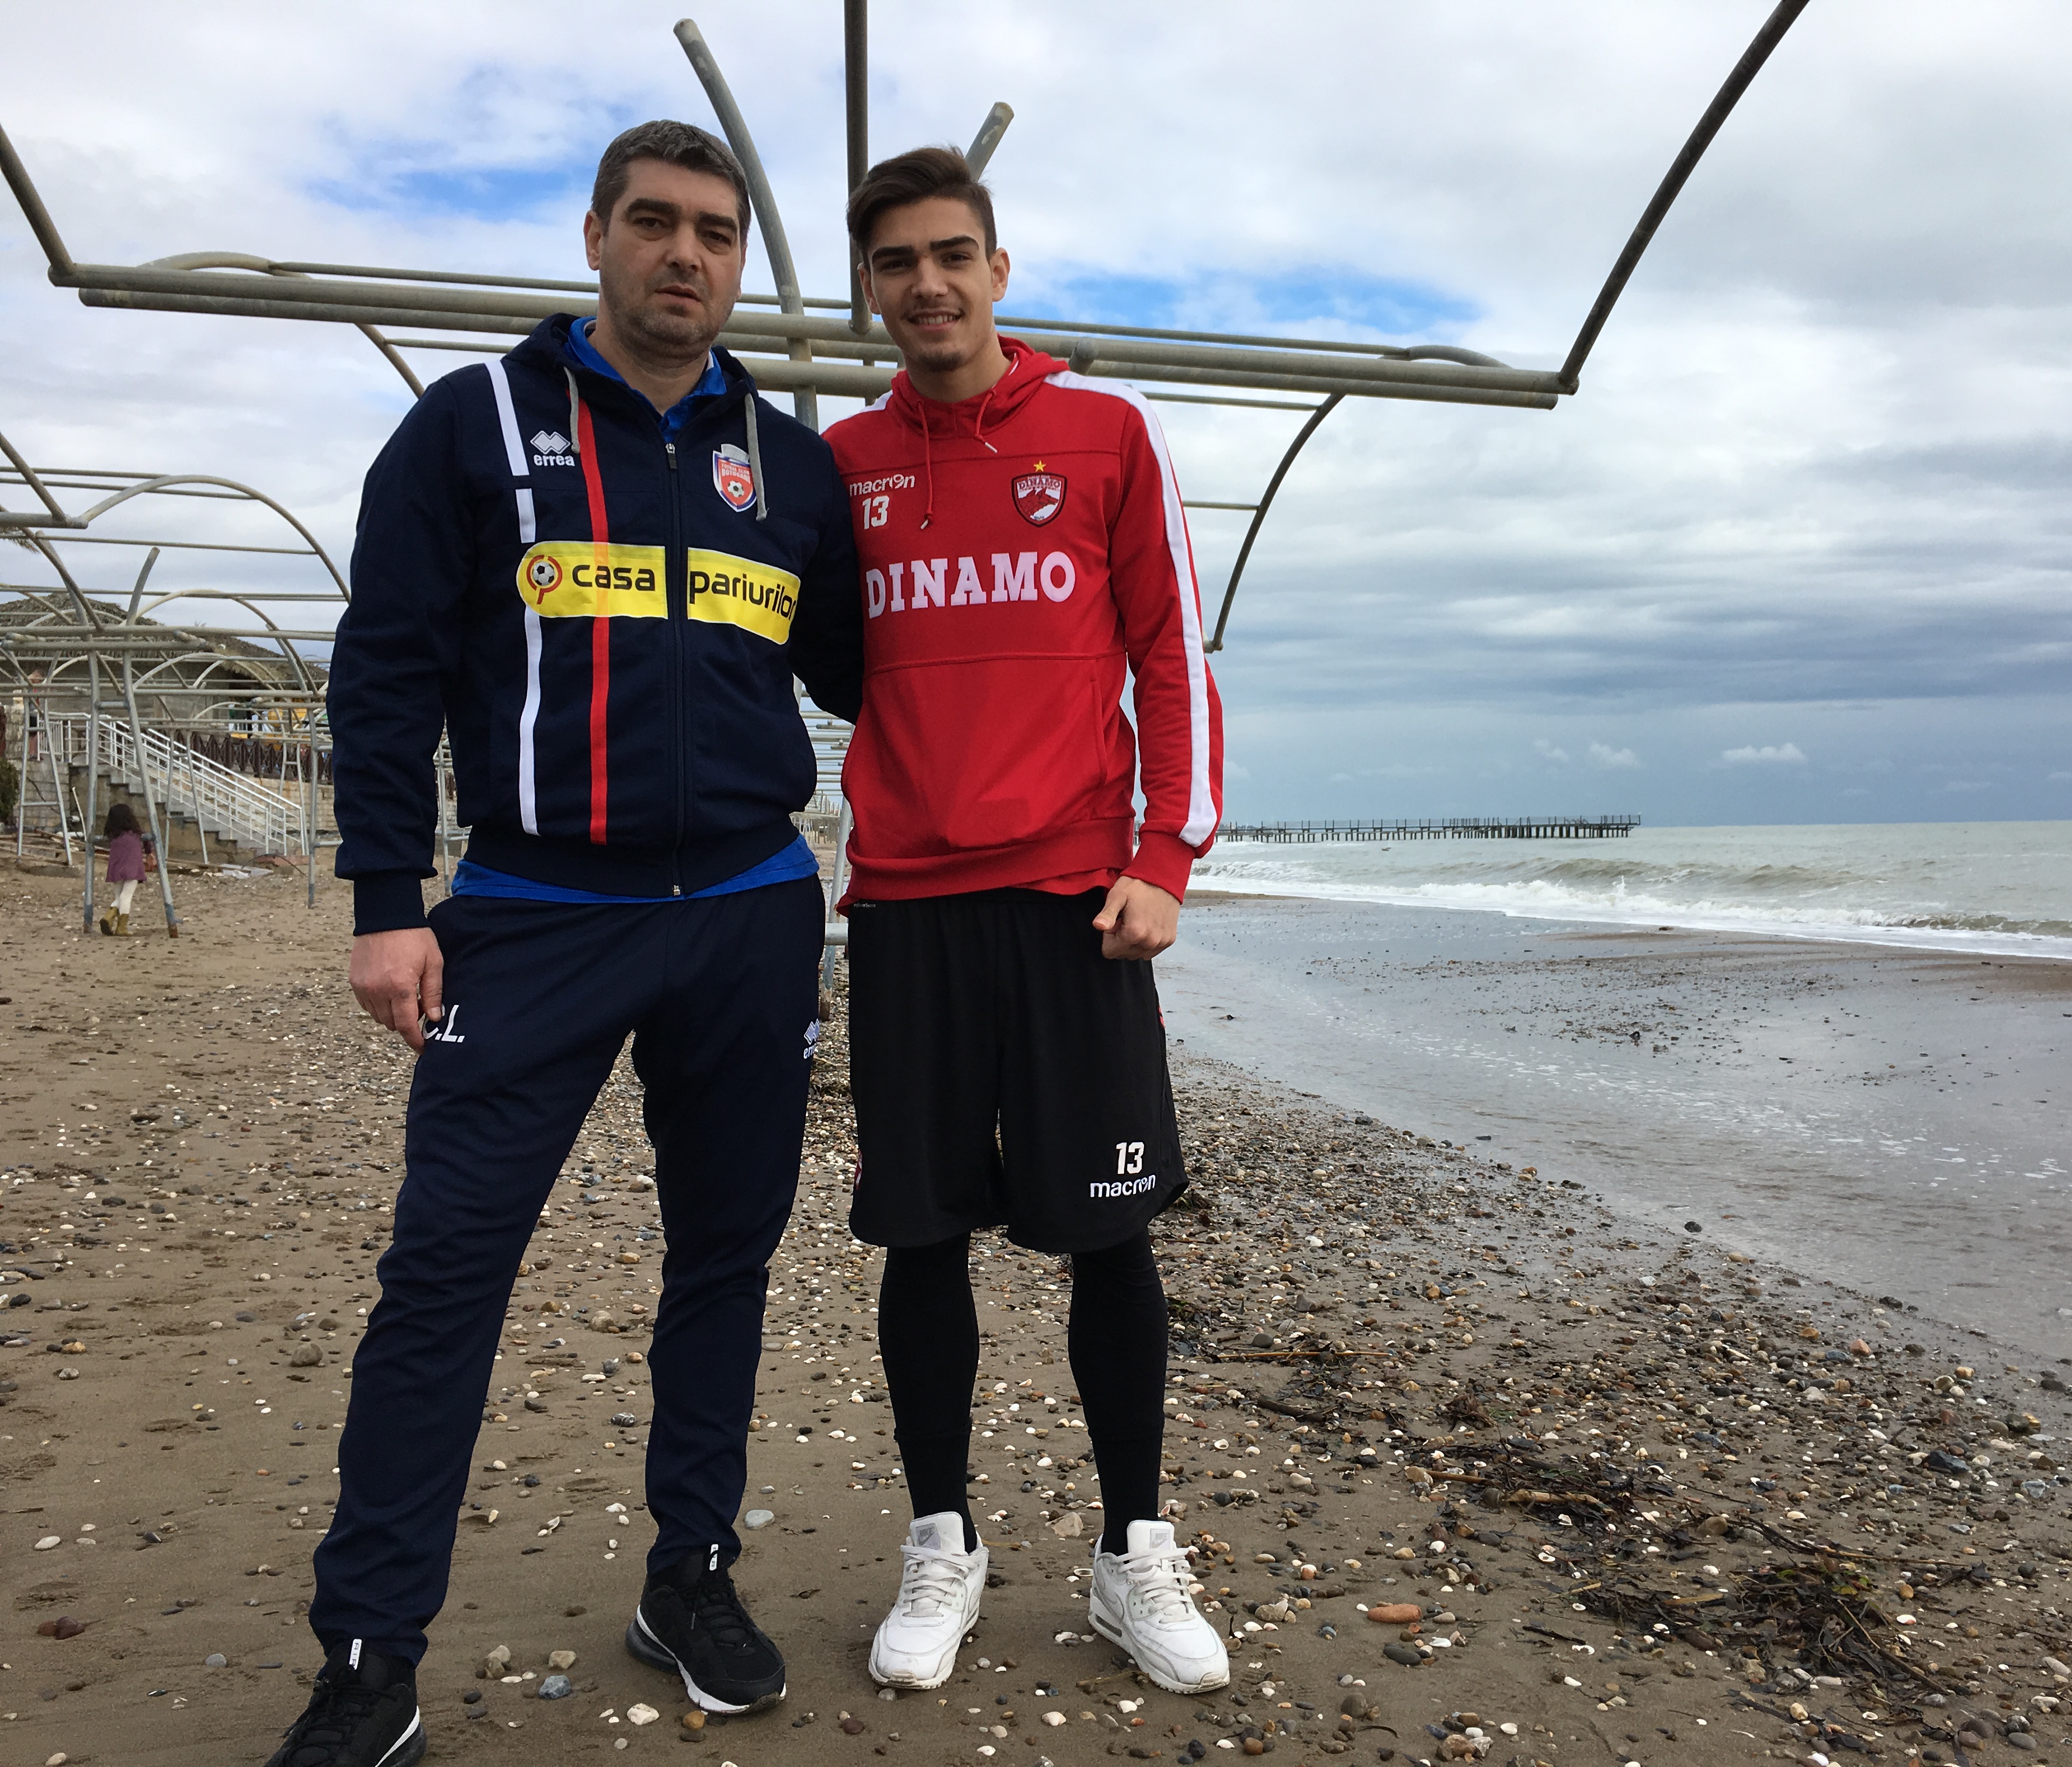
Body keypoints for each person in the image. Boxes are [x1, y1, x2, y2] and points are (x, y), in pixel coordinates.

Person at [267, 121, 862, 1767]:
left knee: (724, 1259)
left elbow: (874, 676)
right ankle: (370, 1657)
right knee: (444, 1273)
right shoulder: (470, 424)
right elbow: (385, 667)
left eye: (717, 233)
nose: (687, 255)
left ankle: (691, 1574)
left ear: (738, 262)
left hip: (748, 912)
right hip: (532, 914)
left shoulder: (791, 466)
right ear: (596, 235)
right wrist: (386, 901)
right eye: (655, 223)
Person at [824, 147, 1227, 1696]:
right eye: (898, 261)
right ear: (871, 285)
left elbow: (1171, 656)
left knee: (1109, 1234)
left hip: (1075, 905)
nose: (927, 284)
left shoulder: (1107, 432)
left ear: (999, 269)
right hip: (908, 909)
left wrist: (1167, 855)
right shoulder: (843, 463)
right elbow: (802, 656)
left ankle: (1133, 1554)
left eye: (954, 255)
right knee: (920, 1236)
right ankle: (944, 1543)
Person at [99, 801, 149, 934]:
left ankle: (109, 917)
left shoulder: (113, 836)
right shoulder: (136, 833)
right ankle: (121, 927)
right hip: (133, 868)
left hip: (116, 869)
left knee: (119, 897)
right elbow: (147, 840)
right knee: (126, 896)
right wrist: (150, 854)